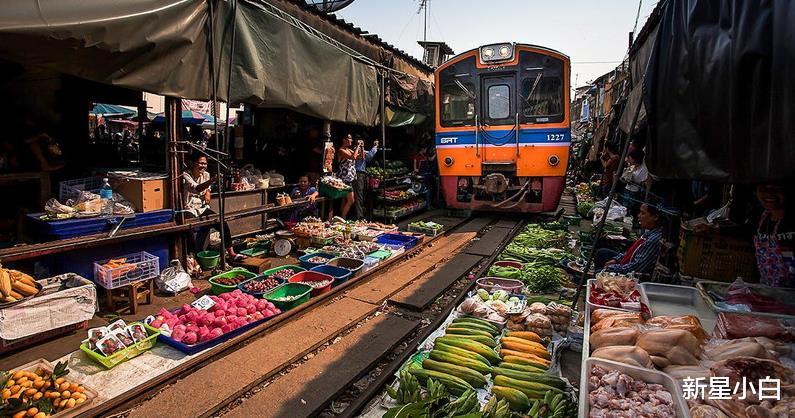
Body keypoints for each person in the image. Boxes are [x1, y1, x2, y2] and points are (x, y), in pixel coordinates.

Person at [697, 184, 794, 287]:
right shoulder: (759, 216)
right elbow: (745, 230)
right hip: (769, 288)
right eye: (763, 188)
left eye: (777, 188)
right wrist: (715, 229)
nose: (769, 194)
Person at [182, 154, 238, 259]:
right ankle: (193, 257)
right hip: (189, 208)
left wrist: (208, 191)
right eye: (200, 163)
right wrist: (212, 181)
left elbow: (207, 190)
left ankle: (231, 253)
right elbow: (196, 188)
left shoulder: (206, 175)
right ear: (193, 163)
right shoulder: (186, 175)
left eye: (205, 163)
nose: (203, 166)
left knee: (222, 223)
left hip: (202, 208)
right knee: (189, 230)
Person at [594, 203, 665, 275]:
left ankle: (600, 279)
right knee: (602, 253)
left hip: (634, 273)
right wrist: (616, 259)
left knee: (599, 272)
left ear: (655, 217)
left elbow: (636, 266)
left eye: (643, 213)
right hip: (630, 260)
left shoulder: (654, 239)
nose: (639, 215)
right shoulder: (649, 232)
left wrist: (611, 268)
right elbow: (631, 251)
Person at [353, 135, 378, 220]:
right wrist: (375, 147)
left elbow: (368, 155)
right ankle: (359, 217)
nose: (361, 141)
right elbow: (368, 156)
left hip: (361, 174)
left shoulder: (361, 149)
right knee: (359, 195)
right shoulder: (356, 150)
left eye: (361, 140)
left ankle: (360, 215)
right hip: (358, 174)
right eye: (359, 140)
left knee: (360, 195)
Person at [620, 148, 649, 215]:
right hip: (627, 190)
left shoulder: (644, 169)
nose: (628, 160)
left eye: (630, 158)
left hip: (635, 193)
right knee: (624, 210)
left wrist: (633, 182)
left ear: (635, 159)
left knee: (631, 211)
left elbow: (643, 182)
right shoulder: (631, 167)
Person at [336, 134, 358, 219]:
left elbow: (361, 157)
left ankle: (341, 217)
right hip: (345, 178)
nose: (351, 140)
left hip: (350, 177)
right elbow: (354, 157)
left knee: (344, 200)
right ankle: (343, 216)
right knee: (351, 200)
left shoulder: (349, 150)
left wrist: (361, 148)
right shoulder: (341, 150)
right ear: (344, 140)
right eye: (350, 138)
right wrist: (358, 146)